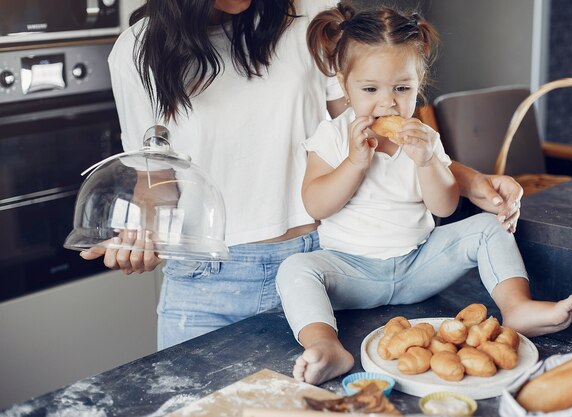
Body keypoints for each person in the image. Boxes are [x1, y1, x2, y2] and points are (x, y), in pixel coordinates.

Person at [80, 0, 526, 351]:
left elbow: (370, 134)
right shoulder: (138, 52)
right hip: (204, 285)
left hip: (322, 272)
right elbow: (157, 177)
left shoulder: (313, 15)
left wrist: (469, 180)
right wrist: (142, 238)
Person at [274, 4, 572, 386]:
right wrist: (354, 162)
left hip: (419, 264)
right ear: (343, 84)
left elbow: (445, 207)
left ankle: (517, 307)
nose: (387, 103)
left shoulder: (425, 140)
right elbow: (315, 205)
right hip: (351, 272)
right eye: (370, 89)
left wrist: (426, 162)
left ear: (419, 84)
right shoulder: (332, 137)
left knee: (487, 227)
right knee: (295, 269)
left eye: (402, 89)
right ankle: (326, 345)